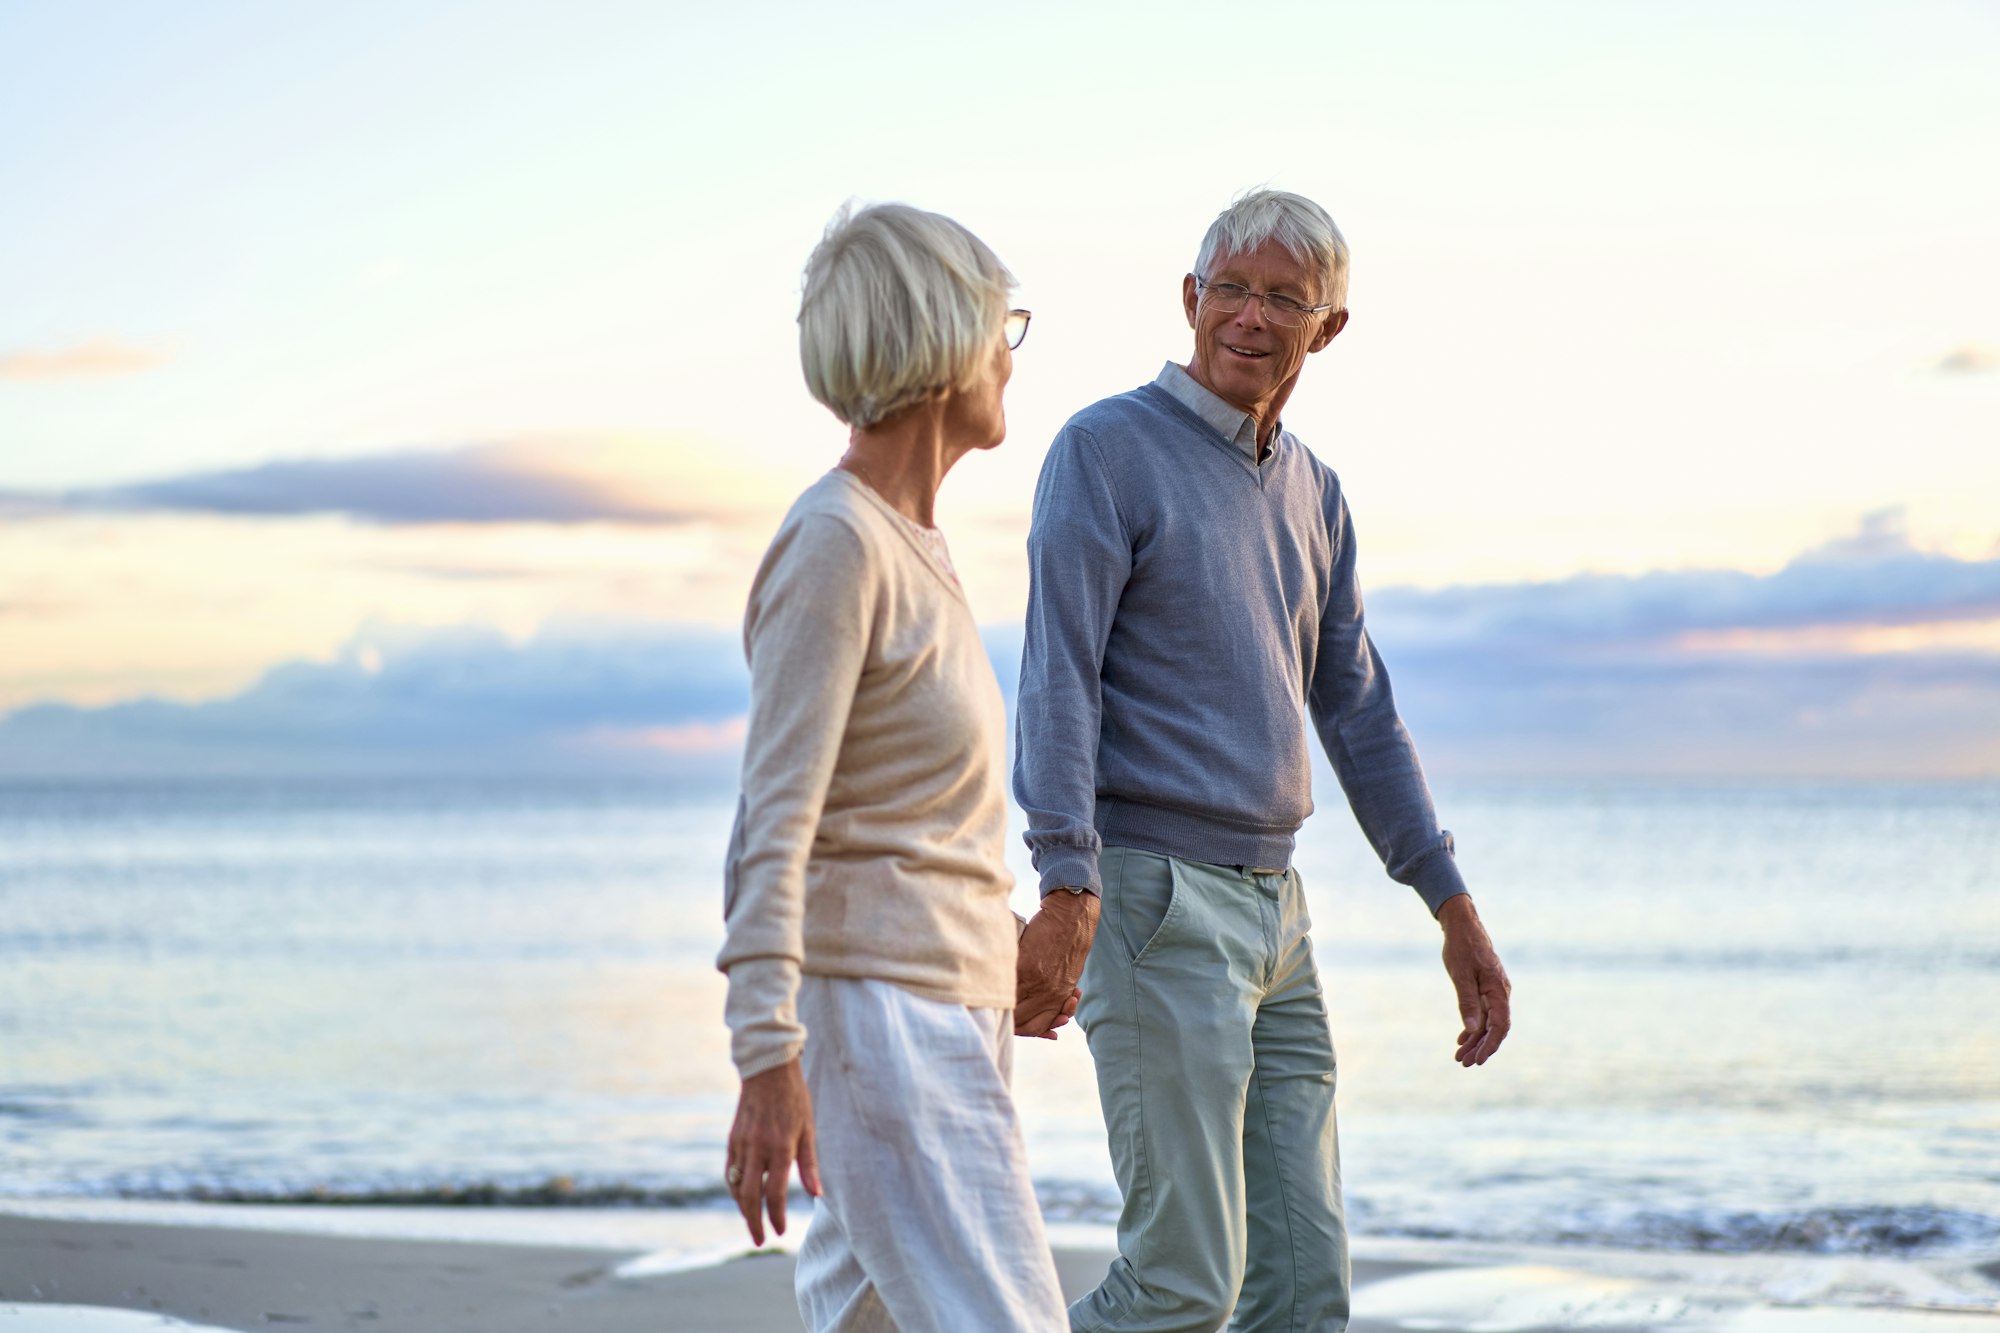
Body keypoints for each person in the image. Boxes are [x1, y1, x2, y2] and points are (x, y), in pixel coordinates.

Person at [1011, 189, 1513, 1332]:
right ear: (1189, 301)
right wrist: (1065, 883)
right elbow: (1056, 677)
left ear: (1325, 327)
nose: (1250, 316)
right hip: (1147, 902)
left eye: (1284, 298)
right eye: (1229, 289)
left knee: (1296, 1288)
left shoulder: (1313, 493)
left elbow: (1358, 709)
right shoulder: (1105, 449)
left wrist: (1451, 904)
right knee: (1180, 1284)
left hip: (1274, 915)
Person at [717, 202, 1068, 1332]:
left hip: (946, 1006)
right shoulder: (836, 545)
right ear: (936, 342)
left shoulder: (914, 545)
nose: (1010, 354)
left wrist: (999, 943)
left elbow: (922, 820)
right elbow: (774, 823)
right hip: (884, 1018)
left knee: (863, 1321)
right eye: (997, 325)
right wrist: (767, 1054)